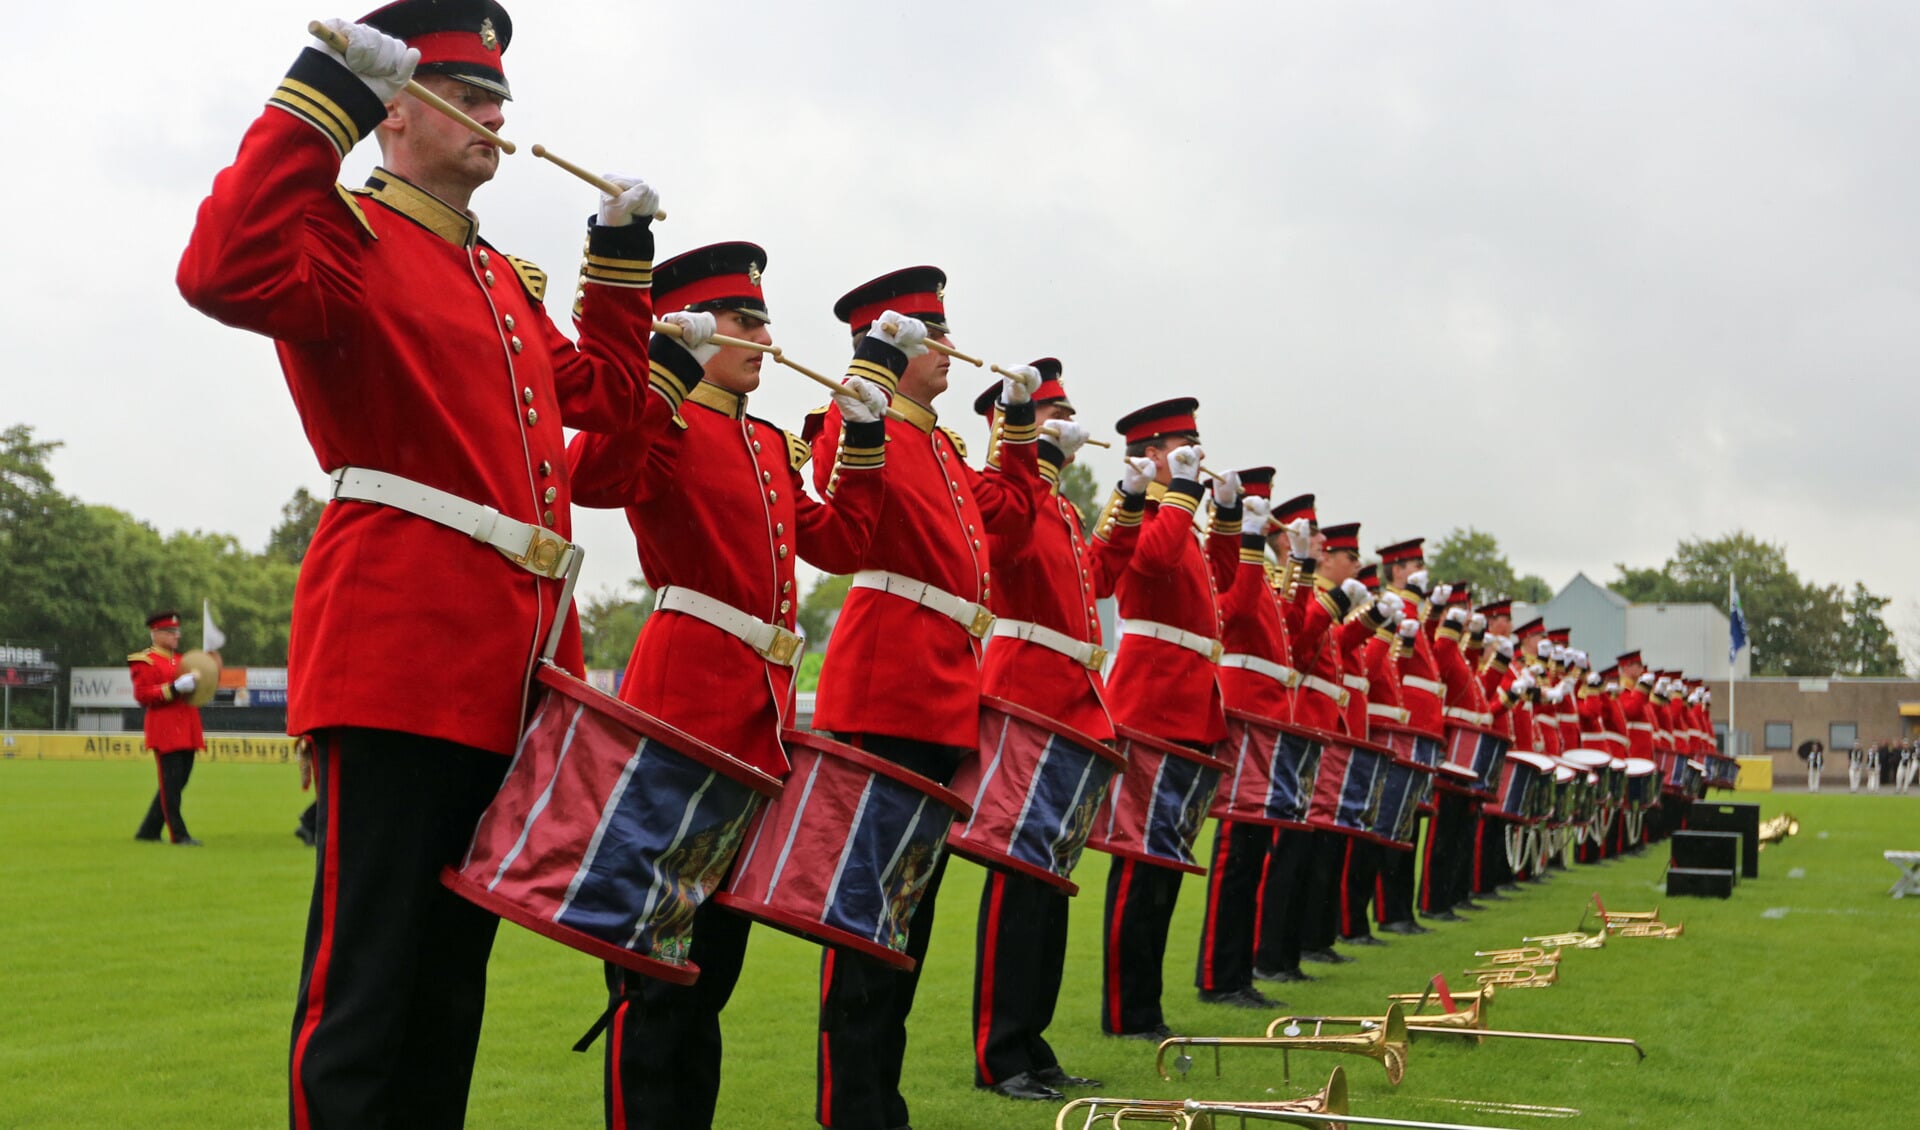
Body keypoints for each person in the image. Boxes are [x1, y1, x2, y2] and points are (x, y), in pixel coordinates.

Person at [176, 3, 663, 1124]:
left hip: (515, 657)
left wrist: (622, 263)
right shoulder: (346, 233)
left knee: (452, 980)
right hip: (399, 639)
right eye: (470, 96)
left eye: (503, 101)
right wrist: (317, 94)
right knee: (369, 978)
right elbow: (215, 270)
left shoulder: (502, 280)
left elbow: (614, 413)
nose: (497, 117)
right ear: (395, 111)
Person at [567, 243, 892, 1130]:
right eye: (744, 321)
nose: (764, 335)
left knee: (712, 966)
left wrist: (862, 440)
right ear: (695, 330)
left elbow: (842, 541)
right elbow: (590, 477)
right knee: (656, 958)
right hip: (684, 698)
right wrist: (655, 378)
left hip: (758, 707)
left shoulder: (767, 442)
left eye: (759, 318)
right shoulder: (664, 420)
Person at [806, 266, 1040, 1130]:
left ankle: (882, 1102)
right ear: (893, 343)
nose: (947, 349)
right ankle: (854, 1109)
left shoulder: (939, 443)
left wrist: (1014, 427)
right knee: (867, 916)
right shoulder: (857, 417)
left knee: (906, 920)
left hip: (941, 685)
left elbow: (1009, 518)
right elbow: (837, 492)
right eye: (929, 336)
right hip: (888, 681)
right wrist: (864, 377)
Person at [967, 360, 1110, 1103]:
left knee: (1049, 883)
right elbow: (1007, 538)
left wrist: (1136, 500)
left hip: (1067, 697)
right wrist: (1026, 450)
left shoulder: (1061, 506)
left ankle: (1034, 1039)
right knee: (1020, 879)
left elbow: (1099, 583)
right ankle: (1001, 1050)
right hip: (1027, 691)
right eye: (1054, 415)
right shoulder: (1017, 499)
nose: (1069, 426)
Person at [1093, 397, 1241, 1041]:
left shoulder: (1185, 520)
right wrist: (1179, 489)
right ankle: (1129, 1010)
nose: (1195, 458)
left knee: (1167, 859)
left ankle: (1146, 1005)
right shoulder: (1143, 512)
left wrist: (1230, 516)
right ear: (1150, 455)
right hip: (1152, 699)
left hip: (1188, 700)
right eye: (1182, 448)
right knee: (1141, 859)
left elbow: (1225, 581)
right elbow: (1148, 561)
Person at [1194, 467, 1288, 1010]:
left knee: (1255, 853)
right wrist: (1248, 539)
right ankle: (1218, 975)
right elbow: (1241, 611)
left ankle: (1239, 969)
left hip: (1268, 712)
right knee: (1237, 852)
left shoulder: (1271, 571)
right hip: (1245, 709)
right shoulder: (1238, 558)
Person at [130, 611, 206, 846]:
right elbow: (143, 695)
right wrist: (173, 688)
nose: (177, 636)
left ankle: (149, 830)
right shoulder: (144, 661)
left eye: (177, 631)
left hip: (187, 726)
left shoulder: (181, 660)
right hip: (165, 729)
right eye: (171, 632)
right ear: (156, 634)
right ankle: (178, 834)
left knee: (177, 783)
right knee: (171, 785)